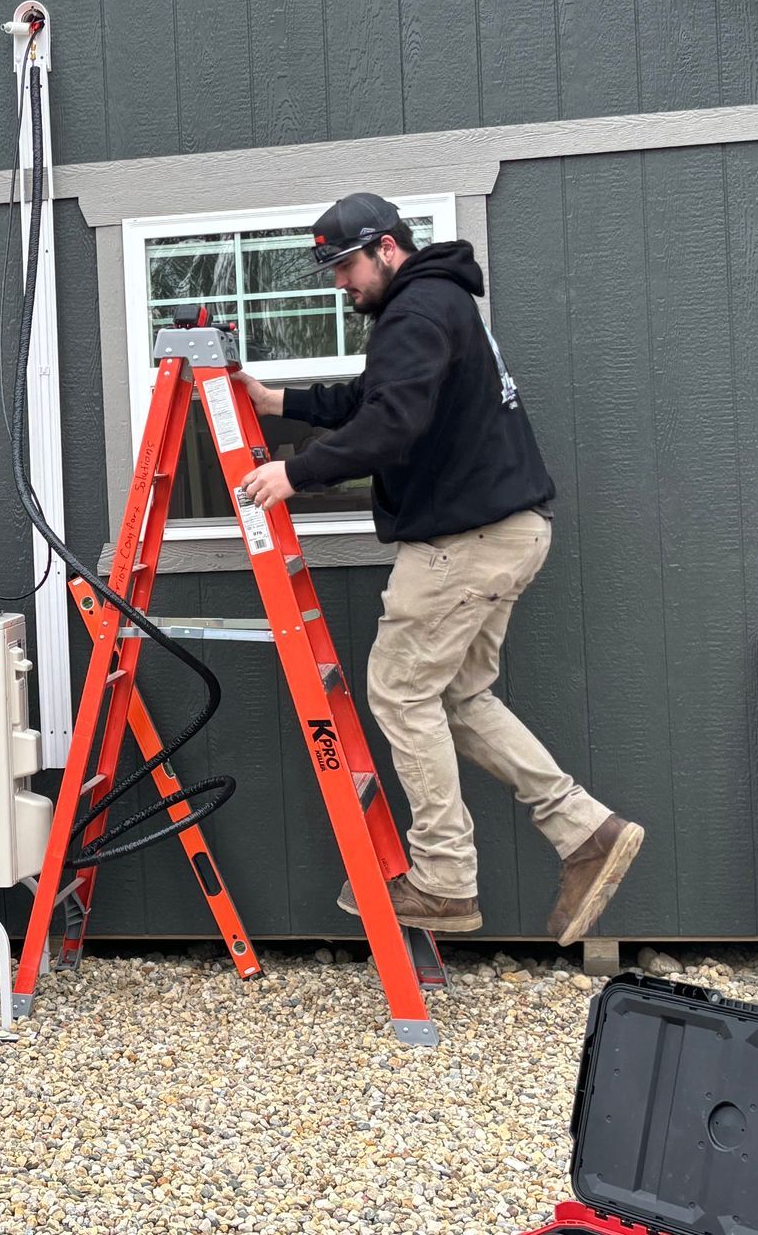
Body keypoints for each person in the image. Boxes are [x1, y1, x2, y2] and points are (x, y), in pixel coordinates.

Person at [235, 194, 644, 946]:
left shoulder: (417, 312)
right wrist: (279, 401)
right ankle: (585, 830)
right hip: (505, 532)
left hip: (466, 542)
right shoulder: (434, 305)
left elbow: (392, 425)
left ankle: (446, 880)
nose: (339, 284)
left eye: (345, 266)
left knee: (399, 691)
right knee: (460, 694)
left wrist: (296, 475)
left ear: (387, 248)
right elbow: (373, 398)